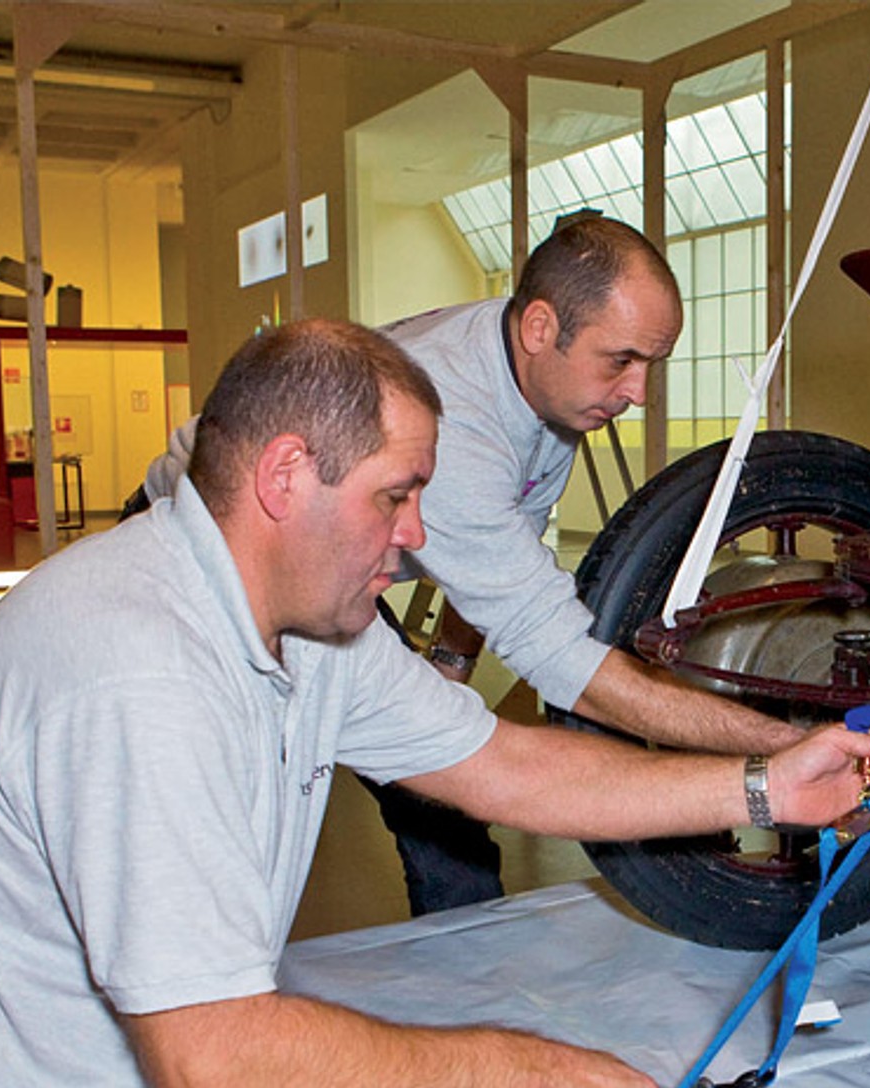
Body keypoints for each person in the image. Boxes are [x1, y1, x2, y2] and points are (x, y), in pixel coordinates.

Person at [0, 319, 870, 1088]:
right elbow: (214, 1055)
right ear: (286, 475)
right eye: (395, 494)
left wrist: (762, 786)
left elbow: (503, 765)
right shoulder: (139, 671)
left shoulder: (305, 625)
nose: (416, 534)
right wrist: (527, 1071)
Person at [142, 214, 808, 916]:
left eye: (652, 363)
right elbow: (569, 667)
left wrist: (452, 669)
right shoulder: (459, 421)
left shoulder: (548, 394)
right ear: (541, 329)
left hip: (325, 571)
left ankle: (459, 987)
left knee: (446, 815)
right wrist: (784, 743)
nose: (639, 392)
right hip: (209, 560)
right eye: (622, 360)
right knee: (227, 816)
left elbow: (497, 549)